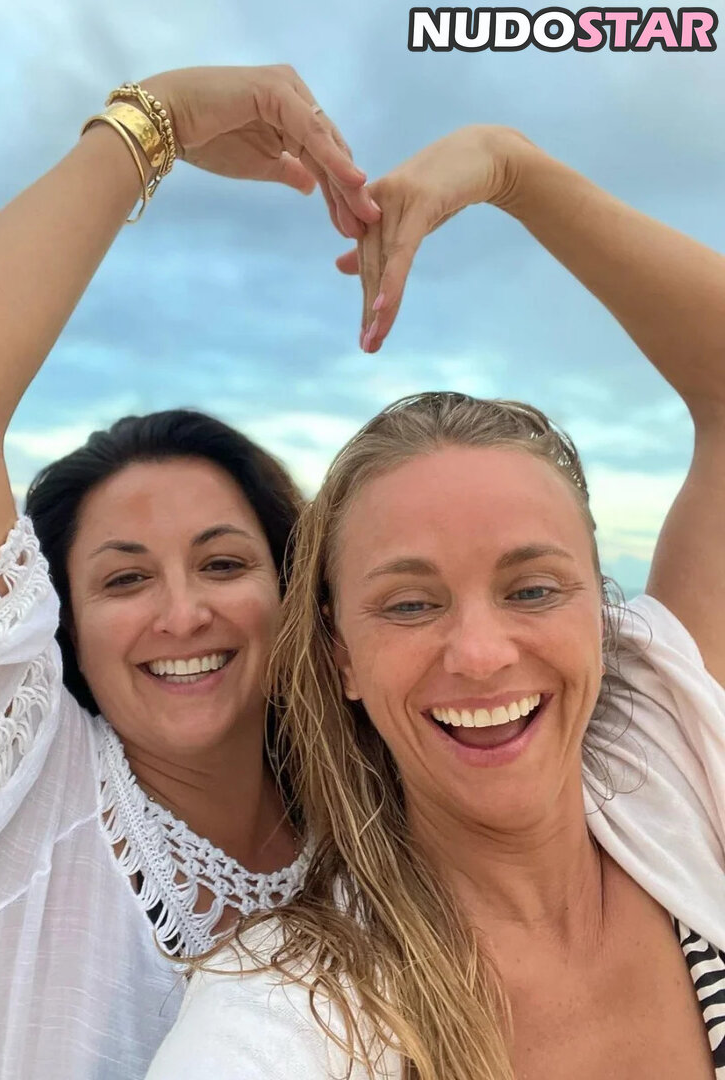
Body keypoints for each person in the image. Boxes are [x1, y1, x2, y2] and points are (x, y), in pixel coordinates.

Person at [146, 125, 725, 1079]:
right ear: (339, 655)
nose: (482, 653)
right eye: (411, 606)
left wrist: (512, 167)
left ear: (599, 613)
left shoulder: (664, 767)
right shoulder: (287, 1014)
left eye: (533, 589)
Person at [0, 65, 381, 1080]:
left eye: (223, 563)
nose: (183, 613)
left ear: (292, 594)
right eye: (124, 580)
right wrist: (160, 120)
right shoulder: (15, 801)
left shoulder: (373, 837)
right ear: (65, 628)